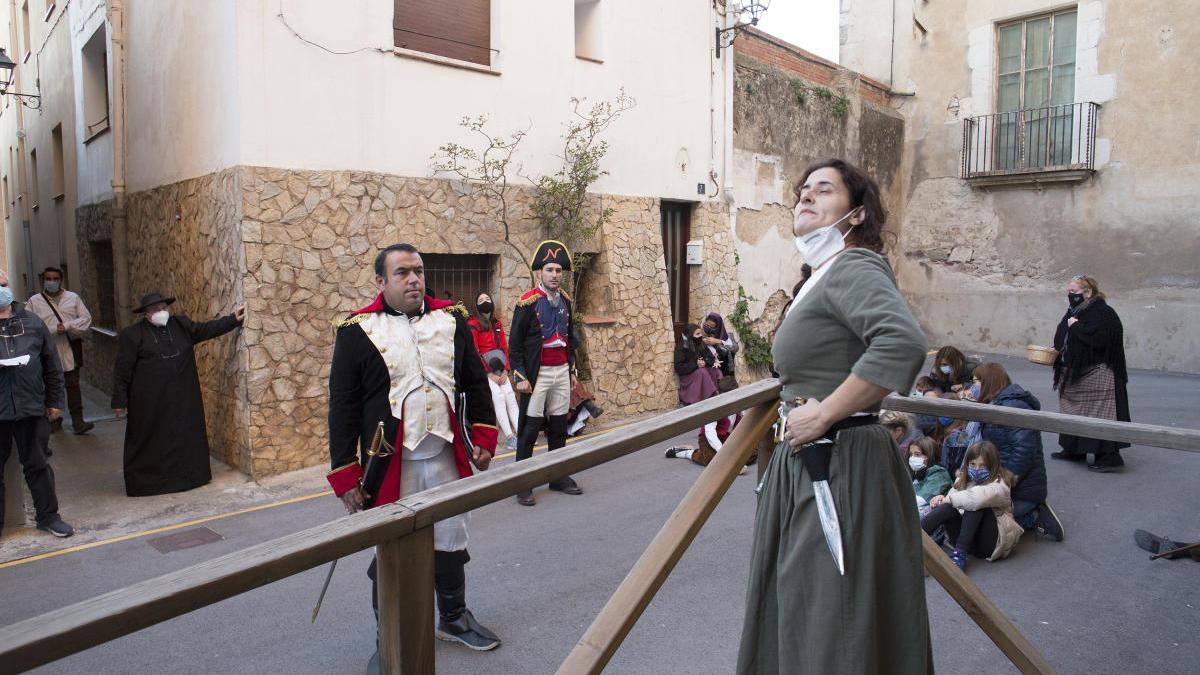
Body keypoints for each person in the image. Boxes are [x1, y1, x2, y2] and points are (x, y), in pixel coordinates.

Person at [738, 158, 932, 673]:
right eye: (803, 190)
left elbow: (902, 344)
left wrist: (824, 414)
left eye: (824, 190)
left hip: (838, 468)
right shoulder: (817, 278)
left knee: (830, 619)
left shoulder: (853, 266)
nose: (806, 196)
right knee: (811, 611)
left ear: (857, 214)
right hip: (811, 464)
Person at [327, 243, 501, 659]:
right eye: (402, 272)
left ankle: (454, 618)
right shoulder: (356, 331)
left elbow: (475, 382)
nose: (414, 279)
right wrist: (346, 475)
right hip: (390, 464)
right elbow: (343, 405)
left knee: (451, 537)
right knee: (390, 550)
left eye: (418, 271)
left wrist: (483, 436)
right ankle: (387, 642)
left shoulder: (451, 320)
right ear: (381, 282)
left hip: (445, 454)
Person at [111, 293, 244, 497]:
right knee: (151, 441)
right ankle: (150, 484)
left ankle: (189, 478)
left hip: (183, 397)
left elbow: (206, 330)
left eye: (163, 307)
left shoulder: (180, 326)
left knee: (184, 437)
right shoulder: (133, 335)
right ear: (146, 314)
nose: (160, 312)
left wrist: (233, 319)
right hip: (150, 402)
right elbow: (123, 370)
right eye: (155, 310)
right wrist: (119, 401)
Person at [509, 240, 583, 507]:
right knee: (529, 429)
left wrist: (572, 368)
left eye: (558, 270)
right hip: (536, 374)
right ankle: (522, 482)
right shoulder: (526, 303)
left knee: (559, 426)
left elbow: (568, 339)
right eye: (550, 270)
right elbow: (514, 345)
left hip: (561, 370)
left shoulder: (565, 300)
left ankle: (557, 476)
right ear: (540, 272)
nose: (555, 275)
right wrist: (520, 376)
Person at [0, 270, 74, 538]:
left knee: (38, 464)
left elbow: (51, 365)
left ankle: (48, 517)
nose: (1, 289)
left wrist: (55, 401)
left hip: (31, 408)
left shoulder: (32, 322)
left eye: (3, 284)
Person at [972, 362, 1065, 542]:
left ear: (988, 382)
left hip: (1020, 485)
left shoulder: (1014, 407)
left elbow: (1024, 451)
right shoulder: (993, 403)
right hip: (999, 477)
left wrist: (1005, 480)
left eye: (975, 381)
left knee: (986, 522)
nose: (972, 387)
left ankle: (1035, 514)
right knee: (975, 514)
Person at [1051, 275, 1131, 473]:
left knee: (1100, 416)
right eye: (1068, 292)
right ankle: (1074, 449)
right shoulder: (1074, 310)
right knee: (1072, 412)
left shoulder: (1104, 313)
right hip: (1073, 373)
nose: (1070, 296)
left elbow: (1099, 340)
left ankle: (1109, 457)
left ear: (1088, 292)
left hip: (1098, 373)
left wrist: (1075, 327)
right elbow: (1063, 333)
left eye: (1074, 292)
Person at [920, 441, 1022, 572]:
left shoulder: (1000, 484)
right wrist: (940, 500)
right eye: (973, 464)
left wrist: (946, 499)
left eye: (983, 465)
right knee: (947, 508)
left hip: (990, 543)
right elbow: (952, 502)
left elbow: (975, 499)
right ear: (967, 464)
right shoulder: (963, 479)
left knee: (975, 504)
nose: (977, 469)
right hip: (968, 537)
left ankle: (959, 555)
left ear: (993, 466)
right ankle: (912, 539)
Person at [26, 267, 94, 434]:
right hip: (46, 353)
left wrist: (69, 326)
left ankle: (78, 422)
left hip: (69, 349)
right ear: (43, 280)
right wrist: (53, 329)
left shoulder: (73, 298)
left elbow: (86, 319)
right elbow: (29, 326)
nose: (51, 281)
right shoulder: (34, 301)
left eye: (55, 278)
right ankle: (54, 421)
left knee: (73, 386)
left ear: (60, 280)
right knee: (50, 388)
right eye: (48, 278)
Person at [467, 293, 519, 451]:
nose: (484, 302)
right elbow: (475, 351)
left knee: (510, 395)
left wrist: (505, 371)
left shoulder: (496, 323)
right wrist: (488, 374)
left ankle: (522, 433)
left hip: (500, 368)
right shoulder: (473, 323)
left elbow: (504, 347)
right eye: (480, 300)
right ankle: (510, 437)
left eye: (487, 299)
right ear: (476, 305)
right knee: (498, 397)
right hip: (485, 371)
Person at [674, 323, 720, 405]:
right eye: (697, 334)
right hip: (688, 376)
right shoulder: (682, 347)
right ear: (690, 335)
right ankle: (710, 396)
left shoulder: (701, 344)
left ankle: (713, 394)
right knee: (702, 372)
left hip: (700, 370)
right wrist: (696, 365)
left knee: (714, 369)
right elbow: (679, 367)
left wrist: (704, 362)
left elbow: (711, 358)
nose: (700, 336)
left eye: (701, 333)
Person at [908, 436, 951, 517]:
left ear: (929, 455)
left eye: (917, 454)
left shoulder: (939, 473)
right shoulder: (917, 473)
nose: (912, 458)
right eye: (911, 454)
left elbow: (920, 500)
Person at [701, 312, 739, 390]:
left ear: (718, 327)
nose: (708, 328)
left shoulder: (726, 336)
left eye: (712, 326)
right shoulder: (700, 333)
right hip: (710, 368)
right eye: (707, 325)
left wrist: (717, 341)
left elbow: (735, 347)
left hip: (725, 370)